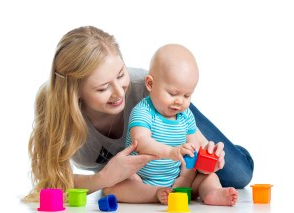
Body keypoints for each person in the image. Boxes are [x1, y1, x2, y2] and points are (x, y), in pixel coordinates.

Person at [24, 25, 253, 202]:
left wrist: (209, 155)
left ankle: (233, 151)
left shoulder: (150, 90)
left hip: (170, 136)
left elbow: (197, 146)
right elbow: (52, 181)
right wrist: (103, 178)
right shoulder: (55, 110)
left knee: (238, 175)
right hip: (139, 176)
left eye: (121, 74)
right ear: (75, 92)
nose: (118, 93)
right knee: (114, 189)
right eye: (103, 88)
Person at [103, 44, 238, 206]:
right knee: (111, 187)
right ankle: (154, 193)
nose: (180, 101)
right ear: (150, 84)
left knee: (208, 177)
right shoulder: (143, 111)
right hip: (141, 179)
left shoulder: (185, 116)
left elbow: (196, 147)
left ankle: (212, 193)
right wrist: (171, 152)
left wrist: (208, 161)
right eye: (173, 93)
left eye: (187, 95)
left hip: (178, 181)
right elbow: (141, 143)